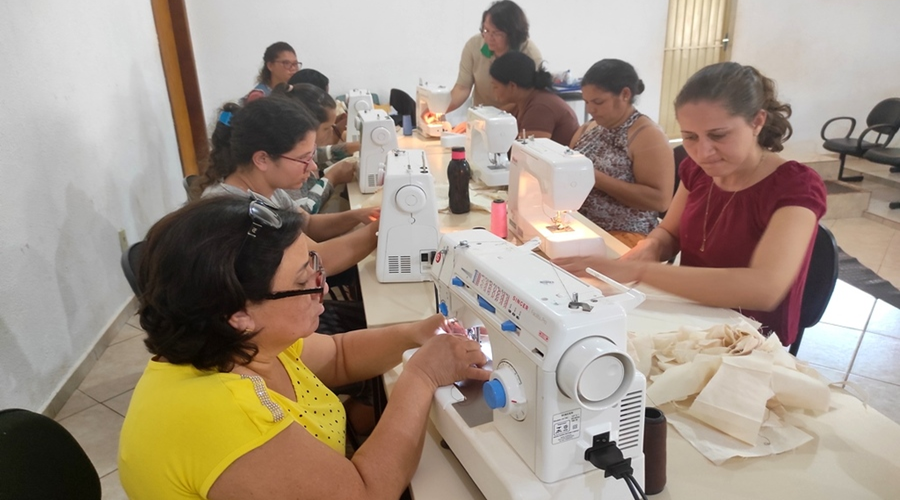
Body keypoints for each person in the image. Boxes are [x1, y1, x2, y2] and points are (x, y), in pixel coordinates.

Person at [118, 195, 490, 499]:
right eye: (304, 280)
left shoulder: (242, 343)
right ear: (238, 314)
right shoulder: (223, 414)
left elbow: (339, 356)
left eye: (315, 265)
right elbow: (367, 493)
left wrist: (415, 333)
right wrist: (421, 375)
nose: (324, 287)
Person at [556, 62, 827, 347]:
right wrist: (649, 248)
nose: (702, 152)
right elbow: (670, 233)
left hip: (751, 340)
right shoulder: (698, 170)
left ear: (757, 122)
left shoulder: (795, 187)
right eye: (690, 137)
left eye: (718, 135)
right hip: (694, 318)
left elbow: (765, 289)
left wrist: (642, 271)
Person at [198, 97, 377, 276]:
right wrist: (378, 231)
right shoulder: (240, 213)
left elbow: (308, 224)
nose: (313, 166)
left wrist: (359, 215)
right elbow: (315, 261)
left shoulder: (265, 188)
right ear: (262, 159)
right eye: (303, 159)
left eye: (312, 156)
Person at [571, 59, 674, 245]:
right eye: (586, 101)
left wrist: (597, 178)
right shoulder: (588, 129)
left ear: (625, 94)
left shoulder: (647, 135)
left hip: (626, 232)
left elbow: (660, 201)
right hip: (583, 225)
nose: (590, 109)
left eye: (598, 102)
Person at [273, 83, 356, 214]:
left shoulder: (287, 148)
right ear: (306, 126)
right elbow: (305, 212)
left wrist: (352, 147)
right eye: (326, 128)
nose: (330, 133)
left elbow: (317, 155)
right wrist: (332, 178)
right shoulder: (284, 167)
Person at [447, 1, 542, 113]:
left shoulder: (529, 54)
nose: (489, 38)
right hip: (481, 120)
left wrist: (492, 118)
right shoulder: (474, 46)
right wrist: (440, 109)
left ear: (513, 34)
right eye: (486, 30)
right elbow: (462, 88)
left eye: (497, 33)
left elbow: (531, 98)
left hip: (516, 121)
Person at [489, 51, 579, 145]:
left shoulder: (541, 108)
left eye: (495, 86)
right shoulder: (521, 103)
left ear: (512, 86)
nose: (492, 91)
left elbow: (526, 152)